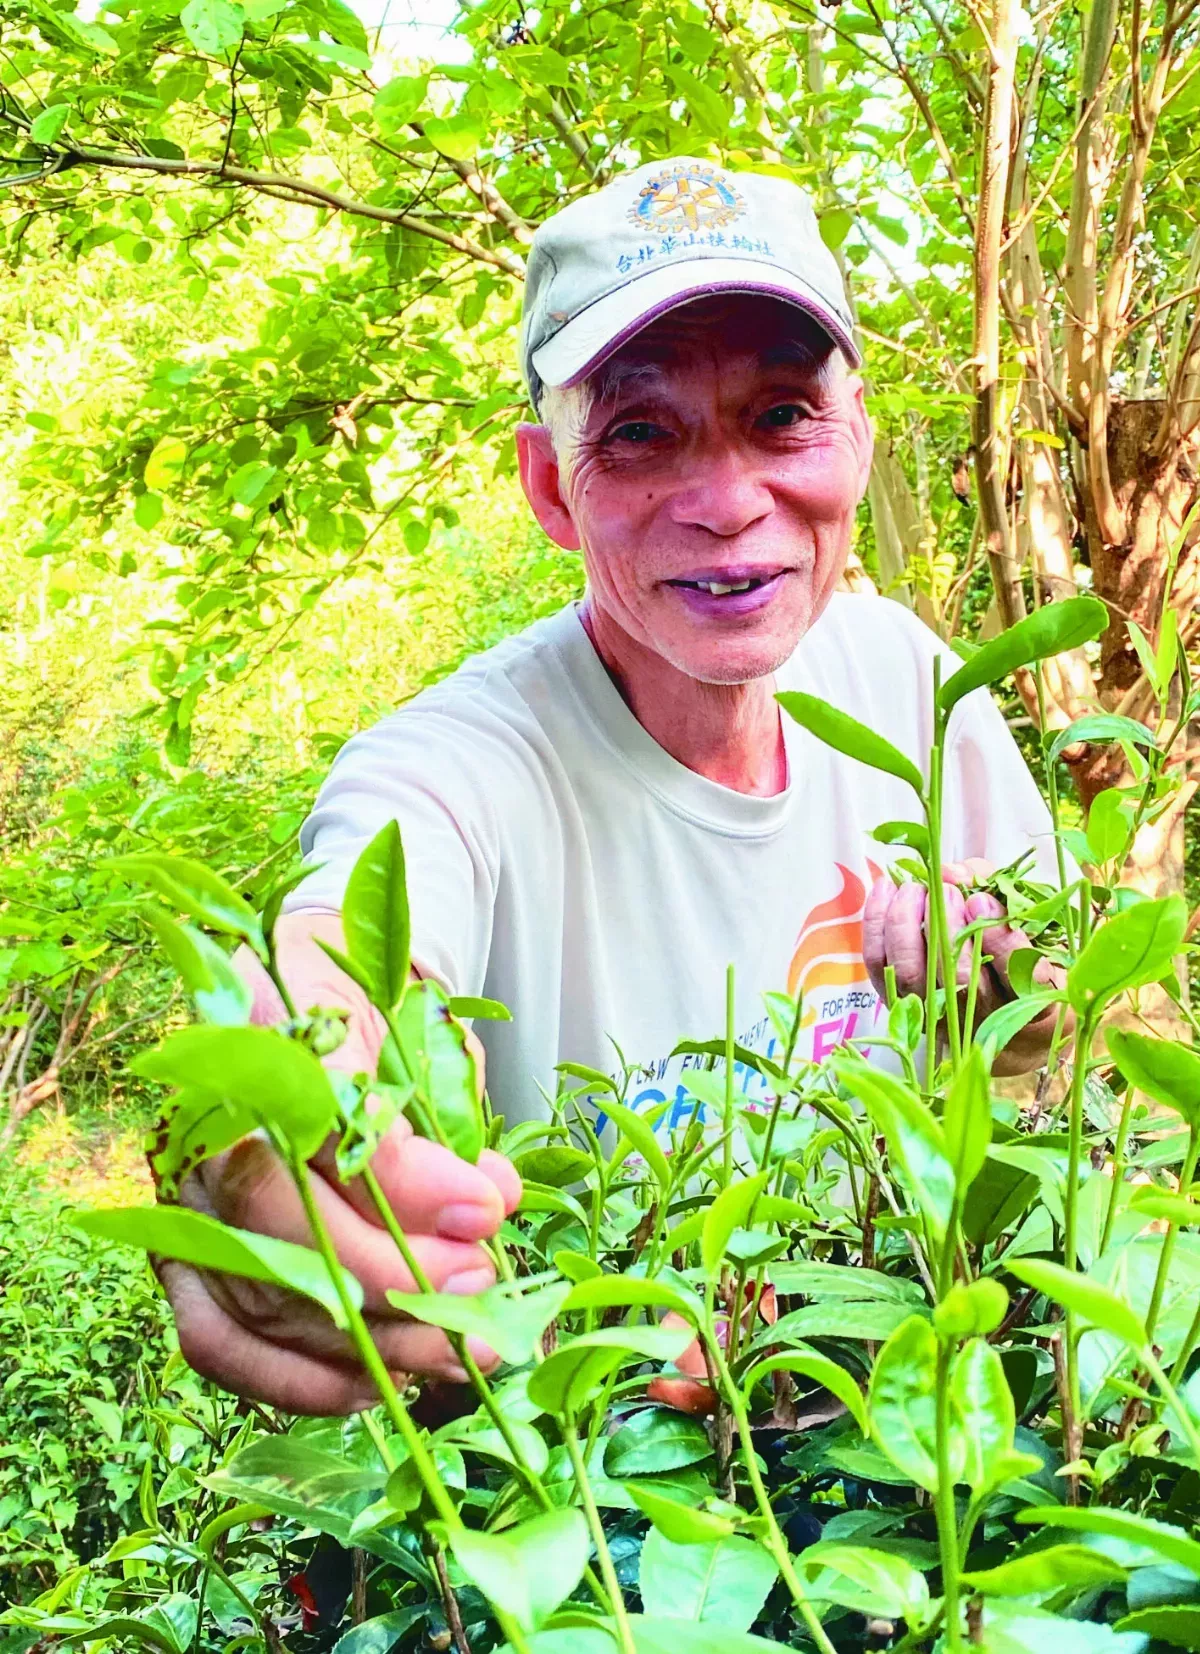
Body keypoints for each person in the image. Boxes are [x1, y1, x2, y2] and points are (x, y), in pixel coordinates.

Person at [161, 157, 1065, 1412]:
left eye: (783, 415)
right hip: (620, 1526)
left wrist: (1026, 999)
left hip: (913, 1445)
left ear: (856, 440)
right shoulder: (461, 762)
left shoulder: (911, 681)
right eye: (642, 433)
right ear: (550, 486)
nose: (729, 503)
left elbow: (1087, 1031)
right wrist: (252, 1114)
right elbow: (350, 951)